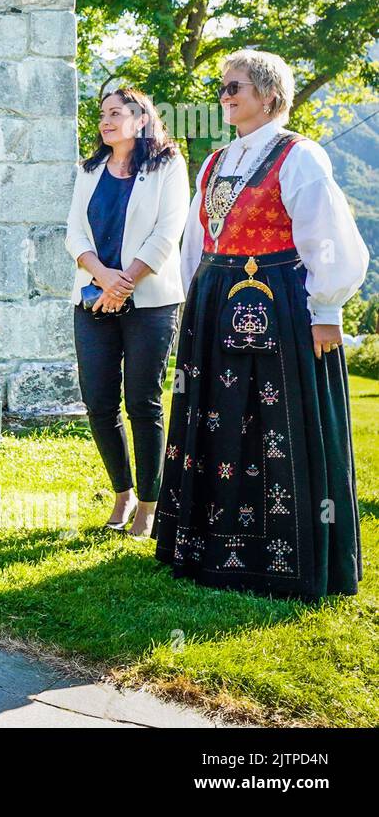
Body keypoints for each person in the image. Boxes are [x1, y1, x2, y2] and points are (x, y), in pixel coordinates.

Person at [153, 49, 368, 599]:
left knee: (279, 421)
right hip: (214, 298)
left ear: (270, 96)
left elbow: (327, 238)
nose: (225, 96)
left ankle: (279, 559)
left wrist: (326, 311)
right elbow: (197, 243)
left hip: (279, 303)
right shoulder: (215, 162)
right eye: (222, 87)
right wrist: (190, 302)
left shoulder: (301, 156)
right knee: (216, 416)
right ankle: (205, 549)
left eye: (236, 87)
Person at [64, 87, 189, 536]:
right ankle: (122, 494)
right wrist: (103, 277)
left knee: (143, 402)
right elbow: (74, 232)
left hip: (151, 302)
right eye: (102, 114)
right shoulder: (89, 169)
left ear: (141, 119)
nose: (106, 120)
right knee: (98, 402)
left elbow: (167, 231)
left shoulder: (168, 165)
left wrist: (126, 282)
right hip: (93, 297)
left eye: (116, 113)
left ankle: (150, 505)